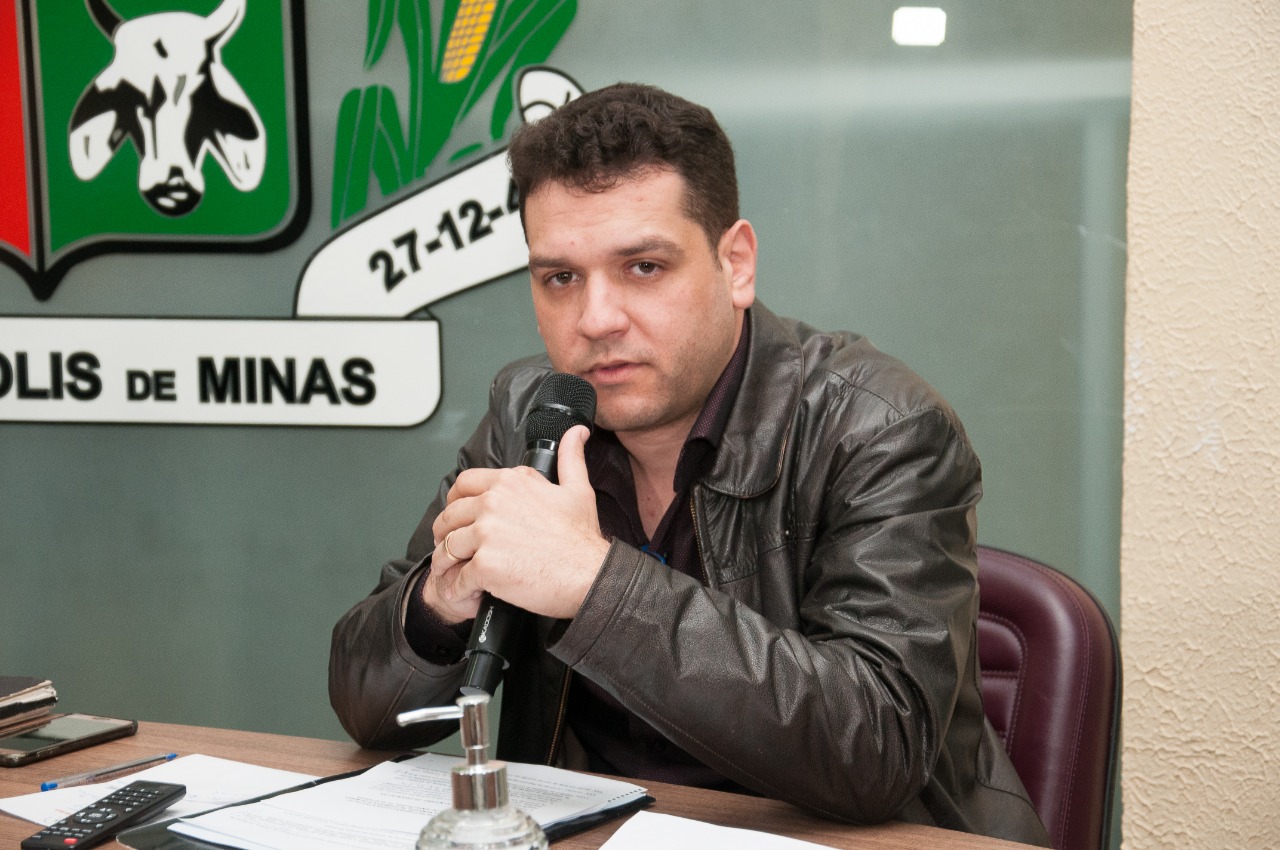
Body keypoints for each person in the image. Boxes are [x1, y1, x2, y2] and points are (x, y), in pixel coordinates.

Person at [329, 82, 1050, 845]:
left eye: (643, 266)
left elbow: (877, 748)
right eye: (560, 278)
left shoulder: (881, 427)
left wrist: (594, 584)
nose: (596, 319)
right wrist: (440, 601)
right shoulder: (529, 414)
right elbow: (369, 712)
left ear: (735, 263)